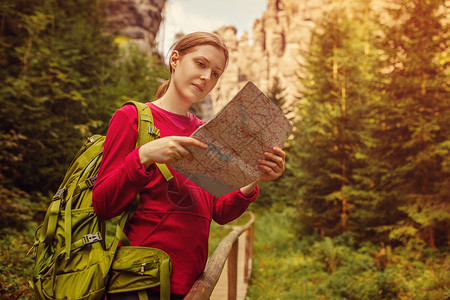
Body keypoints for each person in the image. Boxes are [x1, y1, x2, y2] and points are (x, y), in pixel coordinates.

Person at [92, 31, 286, 299]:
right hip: (137, 282)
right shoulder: (132, 117)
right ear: (175, 59)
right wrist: (144, 155)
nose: (207, 77)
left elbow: (217, 211)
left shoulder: (209, 133)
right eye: (201, 64)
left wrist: (254, 179)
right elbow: (103, 205)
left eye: (216, 73)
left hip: (191, 284)